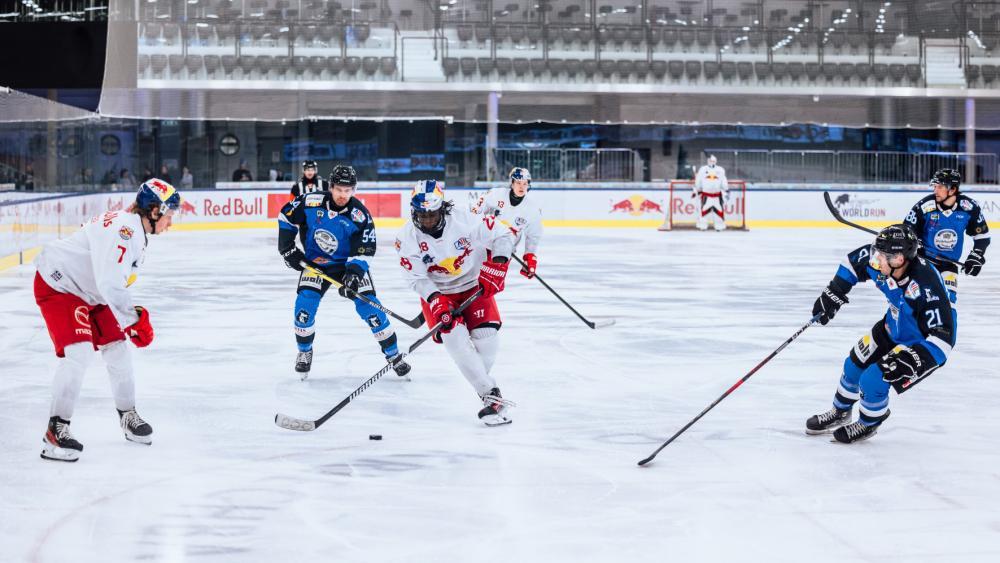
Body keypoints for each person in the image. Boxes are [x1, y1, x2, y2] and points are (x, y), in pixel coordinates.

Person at [33, 179, 181, 462]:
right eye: (169, 215)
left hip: (89, 292)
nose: (171, 223)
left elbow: (108, 281)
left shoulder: (130, 225)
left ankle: (128, 417)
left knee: (118, 351)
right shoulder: (126, 232)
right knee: (78, 354)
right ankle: (55, 431)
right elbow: (111, 284)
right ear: (153, 211)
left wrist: (129, 320)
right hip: (60, 286)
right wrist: (134, 322)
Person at [807, 224, 955, 443]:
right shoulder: (885, 263)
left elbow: (945, 337)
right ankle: (840, 412)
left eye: (881, 256)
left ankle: (868, 423)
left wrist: (915, 359)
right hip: (892, 326)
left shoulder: (926, 285)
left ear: (899, 260)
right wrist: (833, 293)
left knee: (873, 380)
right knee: (853, 365)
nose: (875, 260)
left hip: (919, 342)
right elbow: (853, 262)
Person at [395, 180, 517, 426]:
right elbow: (416, 278)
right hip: (438, 293)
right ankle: (492, 398)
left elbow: (503, 234)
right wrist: (435, 300)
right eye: (421, 214)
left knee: (486, 341)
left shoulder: (466, 218)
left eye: (432, 214)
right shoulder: (405, 238)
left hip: (474, 284)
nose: (427, 220)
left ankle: (485, 387)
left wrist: (499, 265)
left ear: (442, 208)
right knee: (456, 340)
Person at [277, 164, 410, 380]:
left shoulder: (360, 215)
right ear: (330, 187)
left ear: (354, 190)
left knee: (369, 306)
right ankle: (304, 351)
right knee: (305, 305)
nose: (343, 195)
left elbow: (366, 250)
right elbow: (286, 215)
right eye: (339, 189)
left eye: (348, 191)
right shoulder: (311, 202)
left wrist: (355, 274)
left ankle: (393, 355)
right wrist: (287, 248)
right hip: (316, 264)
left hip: (348, 266)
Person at [903, 168, 990, 305]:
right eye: (935, 186)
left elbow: (982, 237)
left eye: (940, 187)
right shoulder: (924, 206)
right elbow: (907, 230)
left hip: (949, 265)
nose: (935, 190)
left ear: (953, 189)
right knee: (917, 302)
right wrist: (913, 242)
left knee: (949, 303)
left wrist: (976, 256)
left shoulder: (969, 208)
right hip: (924, 262)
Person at [473, 167, 543, 279]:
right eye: (518, 183)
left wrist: (529, 256)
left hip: (504, 250)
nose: (522, 186)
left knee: (491, 285)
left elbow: (533, 235)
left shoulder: (532, 209)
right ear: (512, 183)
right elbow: (476, 209)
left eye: (525, 183)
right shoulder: (496, 194)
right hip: (482, 244)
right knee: (469, 279)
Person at [692, 154, 729, 231]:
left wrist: (725, 188)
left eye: (713, 161)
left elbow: (724, 181)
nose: (712, 162)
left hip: (717, 196)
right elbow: (698, 181)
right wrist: (698, 188)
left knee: (718, 212)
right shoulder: (702, 169)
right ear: (708, 161)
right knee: (704, 211)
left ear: (716, 161)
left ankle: (719, 226)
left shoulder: (720, 170)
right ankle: (703, 226)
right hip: (706, 195)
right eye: (711, 161)